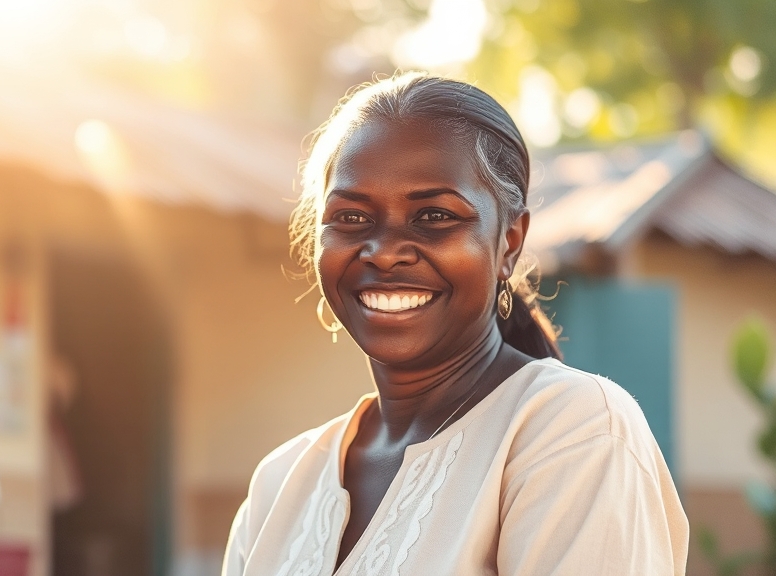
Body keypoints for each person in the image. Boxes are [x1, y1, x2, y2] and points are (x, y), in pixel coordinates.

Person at [221, 73, 688, 575]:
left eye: (435, 216)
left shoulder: (574, 431)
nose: (384, 252)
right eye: (352, 218)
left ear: (509, 242)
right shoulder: (280, 483)